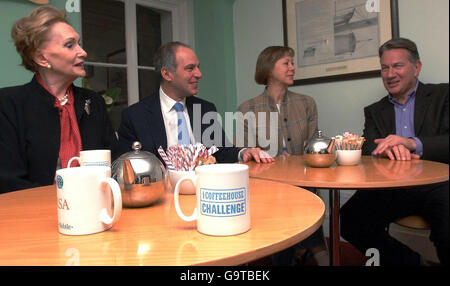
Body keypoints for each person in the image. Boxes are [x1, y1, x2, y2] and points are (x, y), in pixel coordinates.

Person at [340, 38, 449, 265]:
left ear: (416, 67)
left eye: (397, 66)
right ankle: (410, 262)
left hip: (439, 184)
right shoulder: (374, 110)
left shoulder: (443, 95)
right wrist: (389, 148)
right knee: (349, 220)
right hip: (393, 186)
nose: (390, 74)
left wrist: (412, 143)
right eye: (384, 68)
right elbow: (368, 146)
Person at [0, 6, 119, 194]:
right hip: (32, 216)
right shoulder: (8, 104)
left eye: (78, 43)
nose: (83, 52)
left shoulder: (93, 102)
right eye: (70, 45)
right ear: (41, 58)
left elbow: (115, 164)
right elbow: (8, 182)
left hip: (95, 211)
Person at [237, 46, 329, 266]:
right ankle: (319, 254)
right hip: (268, 189)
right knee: (287, 206)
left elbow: (311, 149)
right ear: (269, 68)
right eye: (286, 63)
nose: (292, 68)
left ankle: (307, 253)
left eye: (292, 63)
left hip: (303, 184)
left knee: (302, 199)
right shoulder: (247, 108)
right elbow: (243, 156)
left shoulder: (307, 103)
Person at [118, 41, 273, 164]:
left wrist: (244, 152)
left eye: (198, 67)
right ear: (166, 74)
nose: (199, 74)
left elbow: (222, 151)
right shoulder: (135, 116)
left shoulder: (205, 109)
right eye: (190, 68)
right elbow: (128, 169)